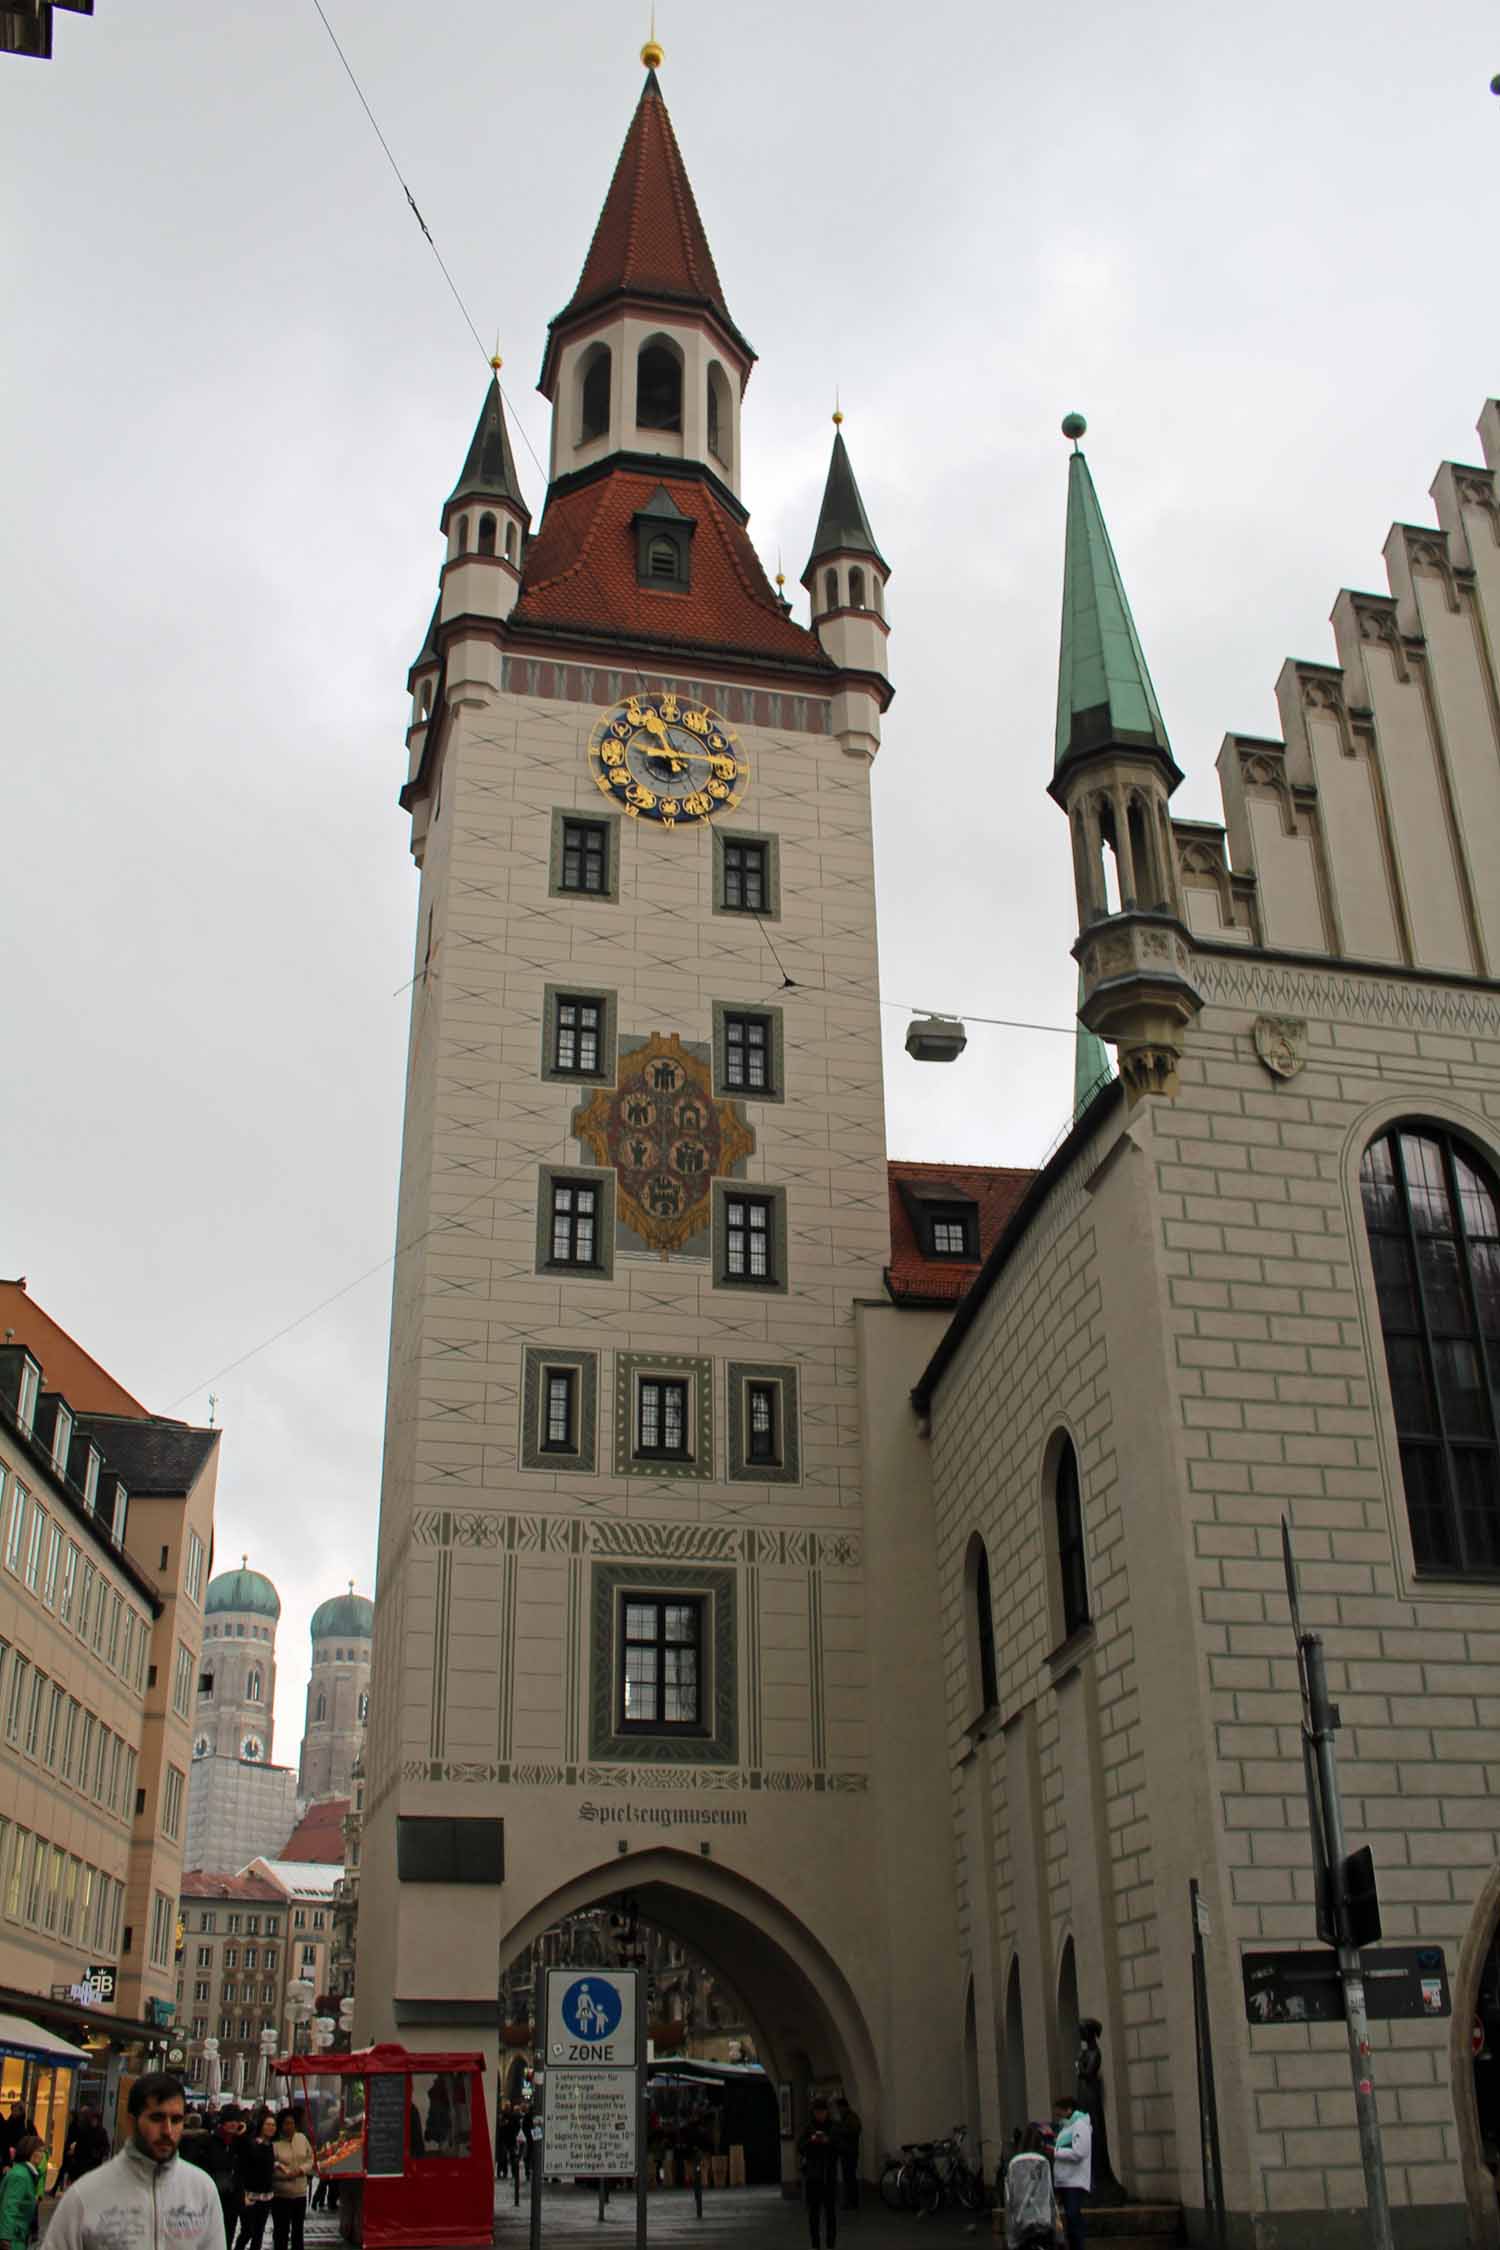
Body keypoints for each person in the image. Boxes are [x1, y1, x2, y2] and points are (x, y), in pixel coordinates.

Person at [44, 2074, 225, 2250]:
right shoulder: (85, 2195)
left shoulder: (202, 2190)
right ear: (131, 2122)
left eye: (176, 2120)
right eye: (157, 2118)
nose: (167, 2130)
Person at [1003, 2126, 1057, 2250]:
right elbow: (1049, 2192)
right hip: (1042, 2218)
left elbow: (1009, 2194)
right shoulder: (1043, 2162)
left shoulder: (1014, 2163)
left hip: (1020, 2219)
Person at [797, 2096, 840, 2250]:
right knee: (813, 2215)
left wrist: (828, 2141)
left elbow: (839, 2147)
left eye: (822, 2112)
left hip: (829, 2177)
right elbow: (800, 2147)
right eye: (817, 2112)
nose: (820, 2115)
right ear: (813, 2112)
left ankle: (830, 2244)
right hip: (813, 2178)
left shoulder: (834, 2127)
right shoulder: (808, 2128)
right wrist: (812, 2141)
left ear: (827, 2112)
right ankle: (815, 2245)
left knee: (830, 2214)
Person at [1051, 2094, 1093, 2250]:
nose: (1057, 2114)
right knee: (1069, 2217)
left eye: (1059, 2111)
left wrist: (1055, 2152)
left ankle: (1078, 2246)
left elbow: (1079, 2152)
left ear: (1069, 2109)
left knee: (1073, 2216)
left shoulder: (1080, 2125)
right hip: (1064, 2180)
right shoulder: (1067, 2126)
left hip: (1074, 2181)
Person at [233, 2112, 278, 2250]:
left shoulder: (271, 2146)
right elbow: (241, 2167)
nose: (271, 2127)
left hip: (266, 2196)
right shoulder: (251, 2143)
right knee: (247, 2231)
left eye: (273, 2125)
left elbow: (268, 2166)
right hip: (250, 2195)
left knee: (258, 2234)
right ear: (262, 2126)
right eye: (268, 2124)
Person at [269, 2111, 313, 2250]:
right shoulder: (275, 2143)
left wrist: (301, 2170)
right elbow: (270, 2166)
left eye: (292, 2123)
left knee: (298, 2231)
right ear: (281, 2125)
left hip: (300, 2193)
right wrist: (285, 2175)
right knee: (281, 2231)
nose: (290, 2127)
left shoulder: (302, 2138)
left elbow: (310, 2158)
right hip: (281, 2195)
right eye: (287, 2123)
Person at [0, 2136, 46, 2250]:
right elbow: (9, 2206)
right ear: (28, 2151)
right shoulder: (20, 2175)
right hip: (13, 2239)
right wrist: (5, 2238)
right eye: (38, 2151)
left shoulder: (26, 2173)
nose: (42, 2155)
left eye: (42, 2151)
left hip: (18, 2236)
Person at [57, 2110, 110, 2191]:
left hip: (95, 2162)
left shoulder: (102, 2132)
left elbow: (106, 2146)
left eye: (95, 2120)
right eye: (92, 2120)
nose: (94, 2122)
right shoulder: (84, 2131)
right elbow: (79, 2146)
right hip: (83, 2163)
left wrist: (100, 2154)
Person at [676, 2107, 708, 2220]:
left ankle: (696, 2191)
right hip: (692, 2155)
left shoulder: (696, 2129)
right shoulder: (691, 2129)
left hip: (695, 2155)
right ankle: (695, 2188)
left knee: (696, 2176)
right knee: (695, 2177)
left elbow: (702, 2141)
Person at [834, 2098, 861, 2211]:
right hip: (846, 2152)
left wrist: (840, 2129)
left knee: (850, 2178)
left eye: (839, 2108)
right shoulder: (846, 2117)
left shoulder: (852, 2117)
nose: (838, 2110)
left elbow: (854, 2131)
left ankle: (852, 2202)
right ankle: (850, 2201)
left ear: (844, 2107)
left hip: (850, 2152)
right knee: (848, 2178)